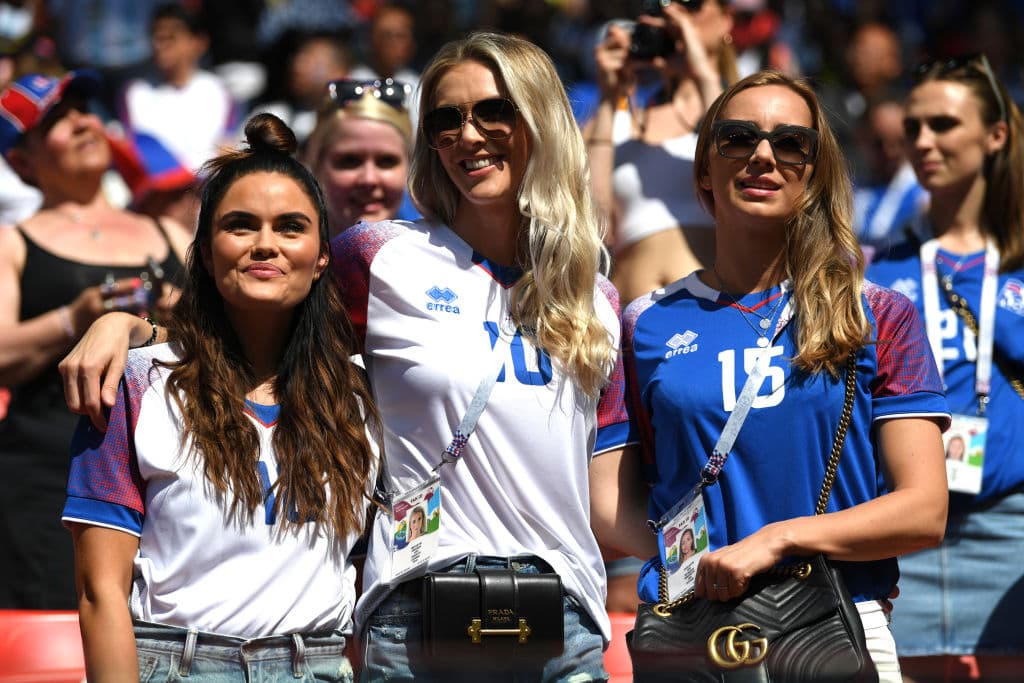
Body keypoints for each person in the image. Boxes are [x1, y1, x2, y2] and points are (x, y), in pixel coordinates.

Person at [59, 31, 631, 682]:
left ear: (543, 117)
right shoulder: (377, 255)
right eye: (447, 119)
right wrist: (126, 326)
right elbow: (256, 314)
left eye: (493, 111)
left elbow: (606, 498)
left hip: (562, 619)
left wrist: (737, 540)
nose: (469, 136)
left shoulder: (600, 299)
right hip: (415, 611)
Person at [590, 70, 950, 682]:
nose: (763, 156)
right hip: (689, 630)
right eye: (737, 137)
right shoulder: (642, 323)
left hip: (836, 630)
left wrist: (777, 542)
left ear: (815, 173)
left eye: (791, 144)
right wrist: (701, 563)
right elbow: (609, 501)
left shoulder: (878, 313)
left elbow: (923, 510)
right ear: (704, 168)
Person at [61, 112, 380, 682]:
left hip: (320, 666)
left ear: (322, 256)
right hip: (174, 666)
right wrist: (124, 325)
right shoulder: (133, 382)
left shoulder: (364, 396)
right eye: (240, 225)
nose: (265, 245)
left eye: (290, 227)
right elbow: (98, 593)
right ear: (205, 253)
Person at [0, 70, 190, 609]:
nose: (84, 122)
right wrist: (74, 317)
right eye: (58, 120)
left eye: (84, 108)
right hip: (48, 481)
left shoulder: (170, 235)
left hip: (167, 478)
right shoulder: (13, 242)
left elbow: (230, 340)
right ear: (22, 160)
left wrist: (167, 318)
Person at [865, 52, 1024, 682]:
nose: (923, 142)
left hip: (1013, 528)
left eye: (943, 125)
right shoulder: (873, 271)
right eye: (913, 127)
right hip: (905, 539)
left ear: (995, 135)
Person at [587, 0, 737, 305]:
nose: (677, 17)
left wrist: (704, 74)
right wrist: (608, 98)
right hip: (630, 325)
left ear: (725, 19)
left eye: (691, 5)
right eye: (664, 9)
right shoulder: (618, 122)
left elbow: (739, 157)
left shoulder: (749, 107)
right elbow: (588, 222)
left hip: (713, 316)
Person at [118, 3, 239, 173]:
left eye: (171, 36)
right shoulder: (135, 93)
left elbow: (226, 150)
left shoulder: (220, 92)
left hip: (207, 189)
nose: (160, 44)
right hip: (158, 191)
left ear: (199, 43)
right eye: (156, 36)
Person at [302, 77, 415, 238]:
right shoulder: (284, 257)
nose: (369, 179)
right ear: (317, 165)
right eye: (350, 161)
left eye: (386, 161)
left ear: (409, 165)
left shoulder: (439, 255)